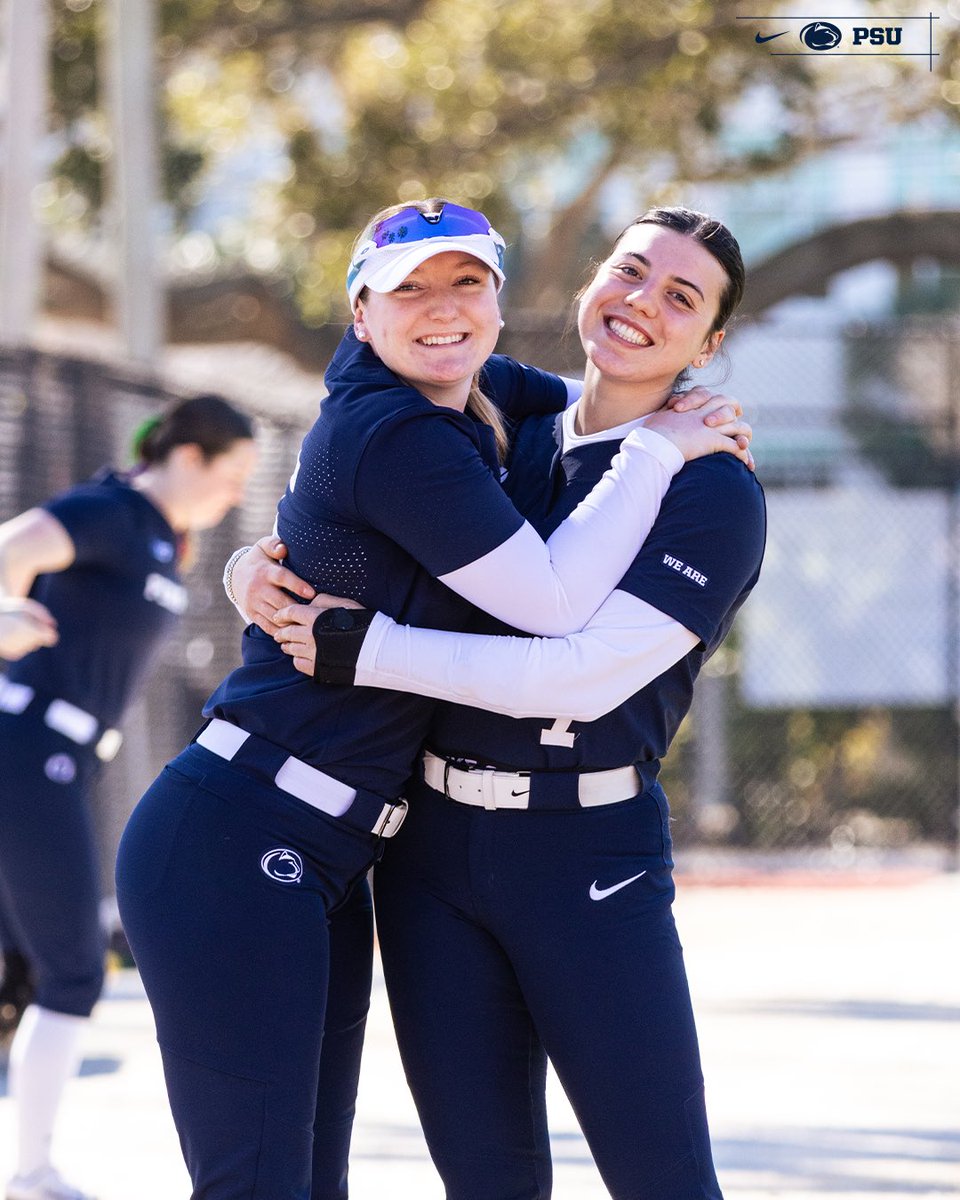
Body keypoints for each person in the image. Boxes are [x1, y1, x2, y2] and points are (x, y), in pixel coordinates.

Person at [115, 198, 752, 1200]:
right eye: (629, 272)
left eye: (681, 297)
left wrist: (366, 649)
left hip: (554, 853)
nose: (642, 304)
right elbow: (364, 479)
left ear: (712, 342)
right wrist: (249, 569)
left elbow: (577, 668)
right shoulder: (474, 427)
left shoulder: (572, 431)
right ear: (359, 314)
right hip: (376, 846)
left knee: (663, 1180)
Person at [0, 394, 257, 1200]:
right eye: (232, 476)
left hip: (56, 758)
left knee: (32, 967)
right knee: (73, 971)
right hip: (26, 748)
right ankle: (33, 1171)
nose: (234, 498)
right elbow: (12, 544)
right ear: (189, 457)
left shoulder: (161, 541)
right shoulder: (114, 510)